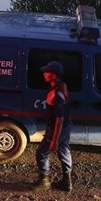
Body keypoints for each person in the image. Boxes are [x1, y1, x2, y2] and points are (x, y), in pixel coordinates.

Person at [32, 61, 73, 192]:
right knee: (64, 151)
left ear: (54, 75)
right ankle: (67, 182)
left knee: (42, 153)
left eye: (47, 72)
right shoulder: (62, 86)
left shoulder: (57, 94)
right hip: (67, 125)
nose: (44, 74)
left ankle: (44, 181)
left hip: (59, 126)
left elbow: (59, 118)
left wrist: (54, 140)